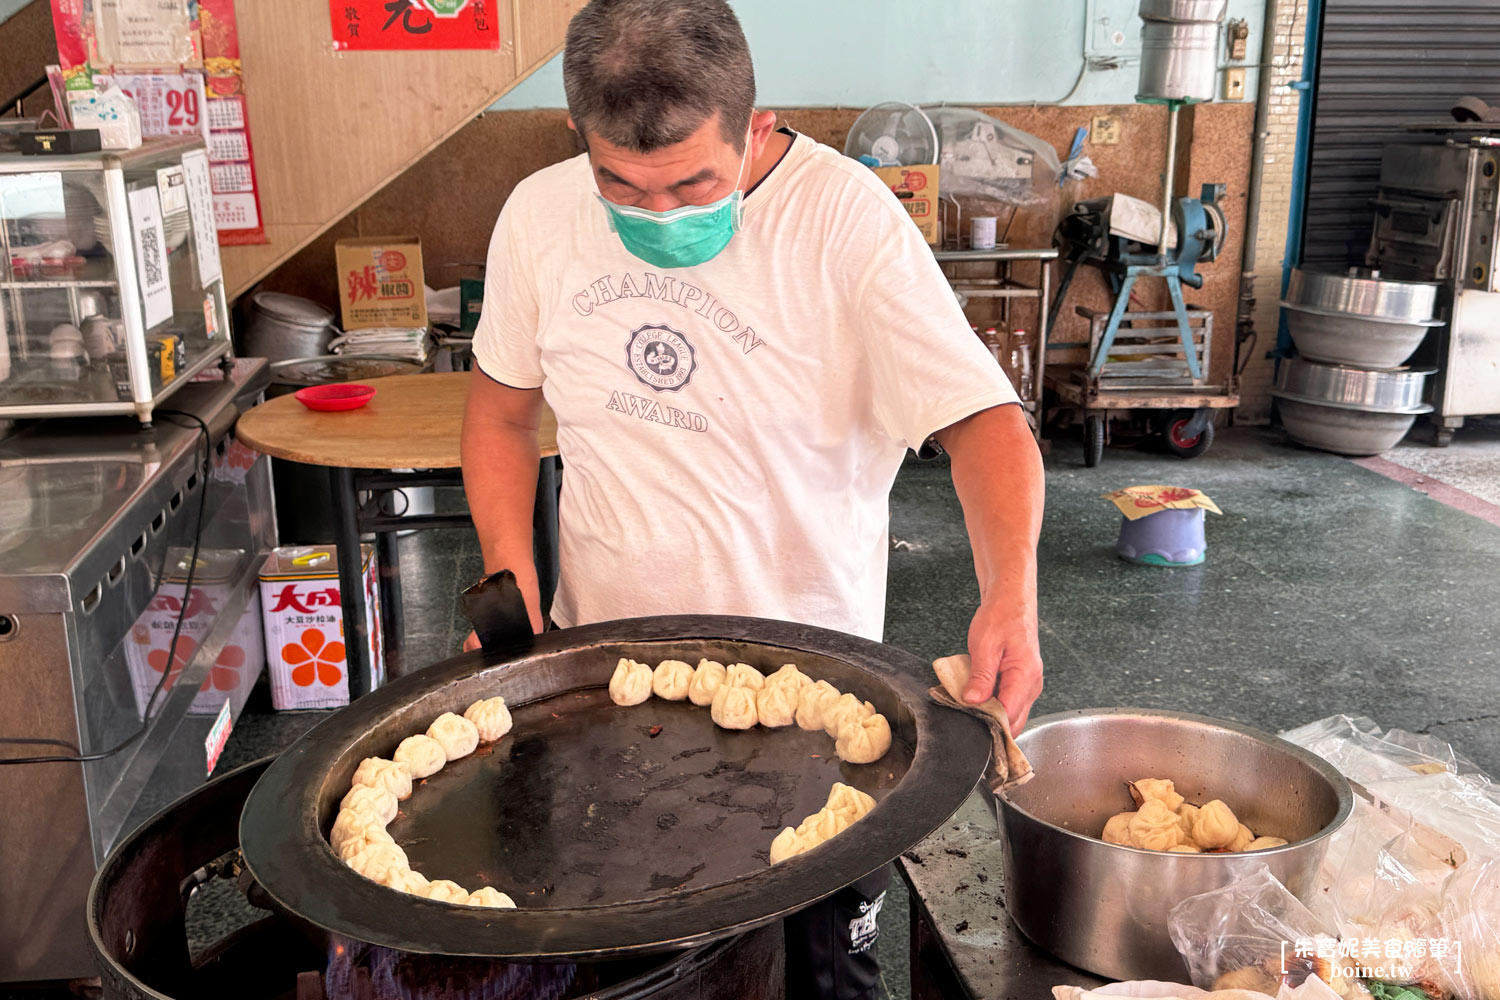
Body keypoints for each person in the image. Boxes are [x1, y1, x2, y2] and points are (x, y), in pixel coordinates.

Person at [460, 1, 1045, 995]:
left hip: (811, 700)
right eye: (622, 187)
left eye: (692, 184)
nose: (655, 217)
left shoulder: (845, 219)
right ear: (577, 137)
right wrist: (509, 583)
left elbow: (985, 422)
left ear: (756, 127)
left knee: (822, 976)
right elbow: (501, 418)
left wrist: (1011, 599)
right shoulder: (538, 219)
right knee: (630, 961)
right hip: (602, 685)